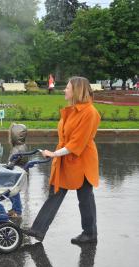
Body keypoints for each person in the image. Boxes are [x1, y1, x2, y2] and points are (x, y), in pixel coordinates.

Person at [23, 76, 100, 244]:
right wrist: (57, 154)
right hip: (67, 158)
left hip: (83, 161)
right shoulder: (73, 109)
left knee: (85, 198)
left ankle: (90, 234)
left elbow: (77, 142)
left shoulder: (90, 113)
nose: (64, 90)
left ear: (77, 91)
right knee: (55, 193)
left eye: (67, 87)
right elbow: (67, 136)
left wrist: (54, 154)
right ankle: (38, 230)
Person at [7, 123, 28, 218]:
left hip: (16, 173)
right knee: (14, 192)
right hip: (20, 172)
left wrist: (8, 166)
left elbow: (12, 163)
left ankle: (17, 210)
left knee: (13, 192)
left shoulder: (17, 149)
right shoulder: (22, 146)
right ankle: (15, 208)